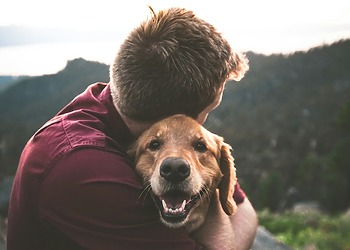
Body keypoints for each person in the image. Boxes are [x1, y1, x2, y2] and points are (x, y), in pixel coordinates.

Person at [7, 7, 258, 250]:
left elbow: (244, 209)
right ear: (176, 116)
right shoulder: (84, 168)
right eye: (209, 110)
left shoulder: (113, 102)